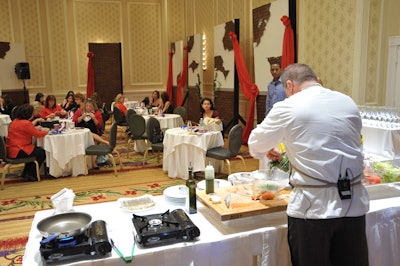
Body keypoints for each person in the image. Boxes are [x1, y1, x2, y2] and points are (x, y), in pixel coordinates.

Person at [248, 63, 370, 266]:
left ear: (290, 85)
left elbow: (255, 144)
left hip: (312, 210)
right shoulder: (348, 102)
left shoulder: (290, 105)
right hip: (354, 206)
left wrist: (266, 149)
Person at [6, 104, 49, 182]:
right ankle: (32, 174)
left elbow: (27, 130)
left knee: (35, 151)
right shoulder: (25, 123)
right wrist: (47, 131)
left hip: (12, 149)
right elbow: (37, 134)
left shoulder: (15, 121)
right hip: (18, 149)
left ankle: (26, 172)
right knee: (41, 153)